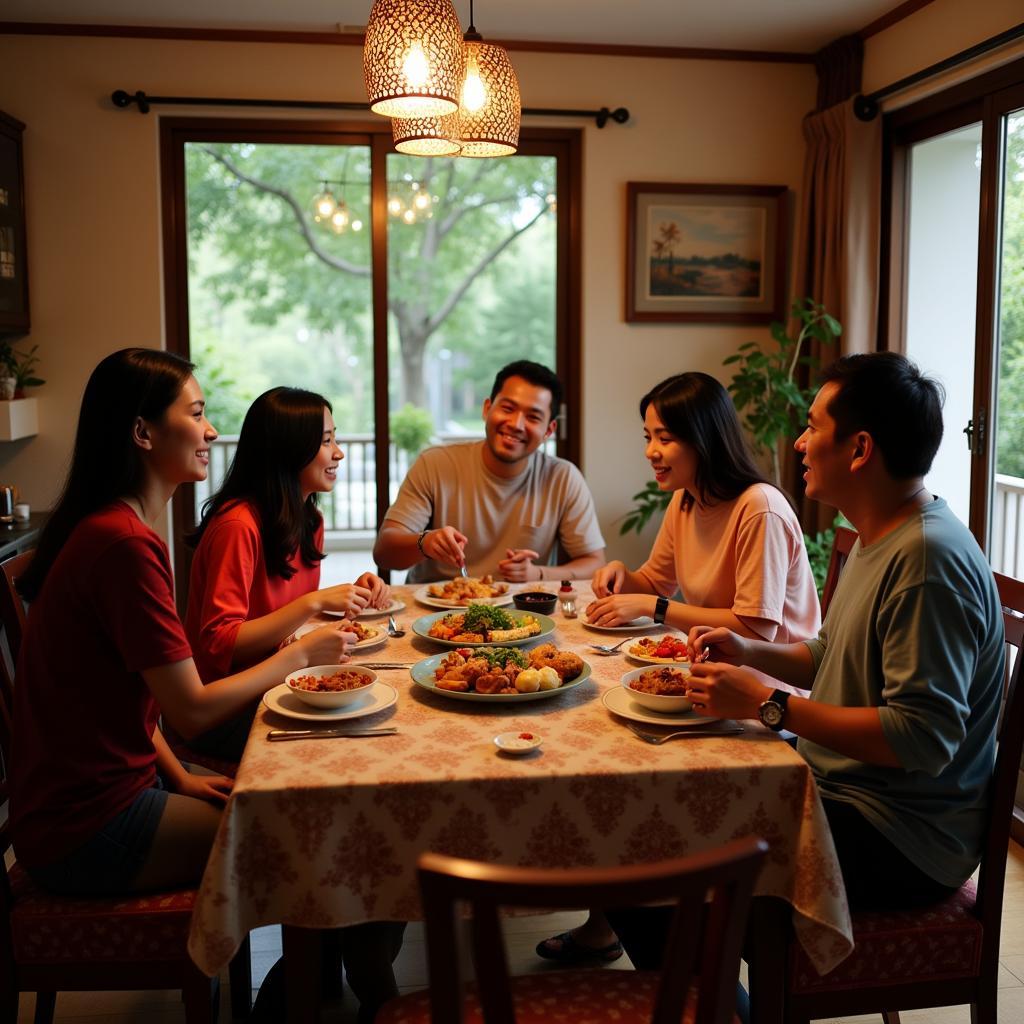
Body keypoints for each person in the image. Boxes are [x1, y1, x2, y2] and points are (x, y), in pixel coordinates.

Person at [10, 349, 352, 899]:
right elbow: (189, 711)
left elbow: (139, 705)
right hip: (83, 827)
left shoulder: (116, 531)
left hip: (109, 792)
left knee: (309, 808)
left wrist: (179, 776)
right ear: (143, 433)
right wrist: (299, 655)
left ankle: (307, 983)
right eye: (195, 414)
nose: (212, 431)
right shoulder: (123, 545)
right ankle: (302, 987)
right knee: (310, 836)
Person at [681, 352, 1004, 914]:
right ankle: (705, 1001)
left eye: (811, 426)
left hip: (900, 838)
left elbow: (922, 738)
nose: (799, 443)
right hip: (841, 792)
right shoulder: (879, 530)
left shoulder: (928, 560)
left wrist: (767, 704)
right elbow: (832, 655)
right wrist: (748, 650)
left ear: (859, 449)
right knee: (674, 798)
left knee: (665, 859)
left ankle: (718, 1005)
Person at [537, 370, 820, 966]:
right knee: (603, 746)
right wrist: (623, 576)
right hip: (708, 681)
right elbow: (651, 583)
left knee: (625, 765)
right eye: (647, 435)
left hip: (763, 701)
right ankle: (607, 922)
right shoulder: (687, 501)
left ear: (703, 438)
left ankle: (677, 958)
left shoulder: (758, 508)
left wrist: (656, 606)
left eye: (663, 437)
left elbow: (755, 629)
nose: (650, 452)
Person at [185, 386, 391, 761]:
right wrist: (312, 602)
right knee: (353, 745)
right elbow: (219, 643)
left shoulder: (307, 520)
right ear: (288, 450)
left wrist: (347, 593)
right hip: (228, 707)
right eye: (326, 441)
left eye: (336, 439)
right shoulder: (238, 526)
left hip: (279, 683)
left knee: (379, 713)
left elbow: (275, 614)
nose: (339, 453)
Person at [373, 360, 606, 583]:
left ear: (549, 430)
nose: (516, 424)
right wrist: (424, 542)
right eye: (508, 408)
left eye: (533, 417)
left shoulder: (563, 478)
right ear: (487, 409)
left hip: (520, 616)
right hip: (434, 612)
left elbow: (595, 562)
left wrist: (539, 574)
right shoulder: (435, 464)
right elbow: (384, 553)